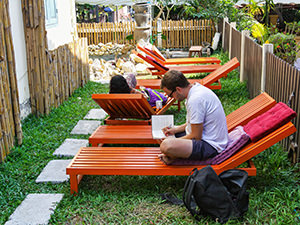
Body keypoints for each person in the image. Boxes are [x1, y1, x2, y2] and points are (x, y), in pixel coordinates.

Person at [159, 70, 228, 164]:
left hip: (211, 145)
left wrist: (173, 141)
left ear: (178, 89)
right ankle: (173, 154)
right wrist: (175, 129)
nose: (172, 98)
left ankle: (174, 155)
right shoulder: (195, 90)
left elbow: (196, 137)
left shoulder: (195, 100)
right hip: (204, 137)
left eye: (170, 95)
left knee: (166, 145)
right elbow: (195, 123)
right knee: (166, 136)